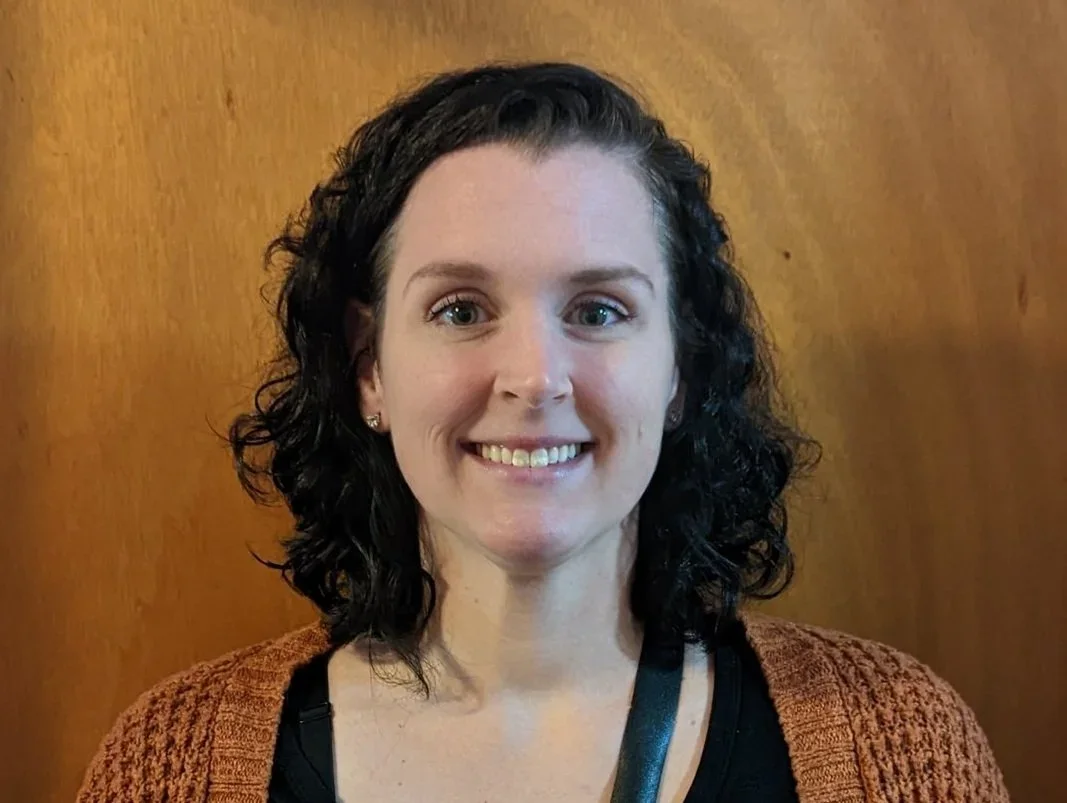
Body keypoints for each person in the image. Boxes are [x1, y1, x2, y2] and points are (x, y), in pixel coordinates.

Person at [77, 62, 1009, 802]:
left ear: (680, 367)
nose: (532, 376)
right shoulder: (173, 766)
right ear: (369, 367)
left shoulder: (897, 744)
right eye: (459, 308)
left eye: (599, 311)